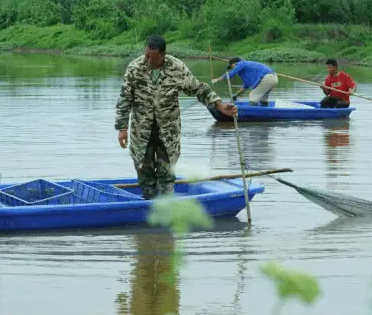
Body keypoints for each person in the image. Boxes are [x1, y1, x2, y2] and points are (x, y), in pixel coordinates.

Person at [115, 35, 238, 200]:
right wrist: (122, 128)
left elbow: (199, 89)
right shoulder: (135, 68)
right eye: (146, 55)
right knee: (145, 174)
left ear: (163, 54)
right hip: (141, 131)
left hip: (168, 132)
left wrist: (220, 105)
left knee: (167, 175)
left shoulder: (177, 67)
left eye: (152, 56)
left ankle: (166, 209)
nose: (147, 59)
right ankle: (149, 205)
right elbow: (124, 99)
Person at [211, 57, 278, 106]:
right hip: (273, 78)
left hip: (267, 78)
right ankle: (265, 114)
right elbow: (246, 86)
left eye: (231, 66)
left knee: (253, 96)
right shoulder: (245, 70)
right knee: (263, 99)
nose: (232, 68)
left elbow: (230, 74)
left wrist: (216, 80)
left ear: (235, 63)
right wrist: (236, 95)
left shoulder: (241, 63)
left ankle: (254, 116)